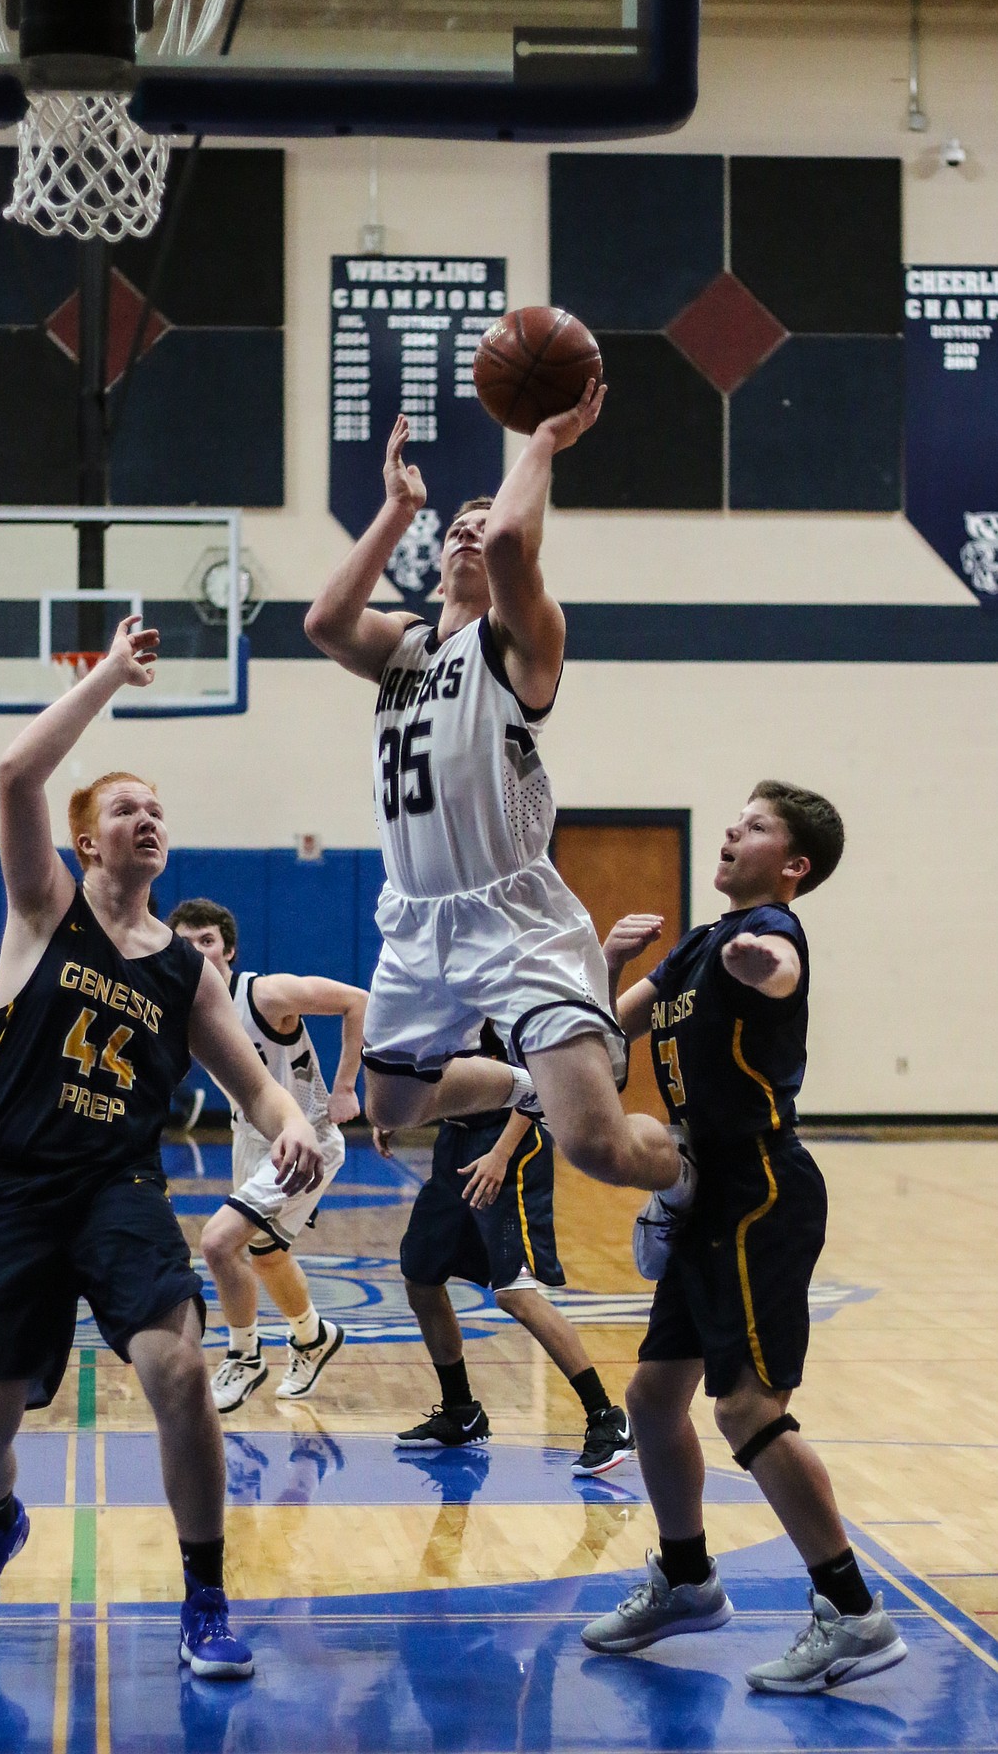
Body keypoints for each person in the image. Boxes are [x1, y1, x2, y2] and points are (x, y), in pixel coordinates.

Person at [0, 616, 323, 1682]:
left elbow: (257, 1084)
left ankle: (204, 1596)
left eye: (157, 808)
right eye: (125, 807)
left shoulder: (185, 975)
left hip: (116, 1189)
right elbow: (16, 766)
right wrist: (109, 672)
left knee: (179, 1367)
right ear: (85, 837)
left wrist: (292, 1129)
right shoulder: (42, 906)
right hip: (10, 1196)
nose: (147, 818)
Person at [303, 395, 683, 1208]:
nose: (471, 532)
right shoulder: (403, 644)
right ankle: (525, 1079)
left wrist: (544, 437)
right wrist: (398, 509)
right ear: (434, 557)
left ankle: (688, 1173)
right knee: (390, 1106)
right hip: (414, 917)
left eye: (481, 524)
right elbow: (325, 621)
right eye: (455, 528)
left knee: (599, 1148)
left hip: (513, 919)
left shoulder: (520, 642)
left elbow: (512, 537)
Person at [580, 782, 908, 1694]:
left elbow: (781, 969)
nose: (732, 830)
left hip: (762, 1191)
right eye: (738, 818)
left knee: (745, 1408)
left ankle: (853, 1613)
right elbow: (611, 1027)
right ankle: (687, 1579)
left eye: (756, 826)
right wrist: (605, 964)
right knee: (650, 1399)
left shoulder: (771, 936)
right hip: (702, 1194)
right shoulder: (694, 947)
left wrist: (766, 959)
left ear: (793, 864)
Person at [375, 1026, 635, 1475]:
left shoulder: (504, 993)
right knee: (420, 1279)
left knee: (514, 1291)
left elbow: (534, 1079)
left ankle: (607, 1418)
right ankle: (462, 1411)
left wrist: (499, 1154)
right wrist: (401, 1112)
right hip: (455, 1141)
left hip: (507, 1144)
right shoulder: (445, 993)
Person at [167, 897, 366, 1409]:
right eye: (184, 944)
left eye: (206, 941)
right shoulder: (181, 1007)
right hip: (247, 1137)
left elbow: (357, 1000)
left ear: (228, 950)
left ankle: (243, 1355)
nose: (197, 952)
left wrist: (345, 1086)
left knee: (217, 1244)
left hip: (304, 1140)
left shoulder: (264, 993)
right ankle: (312, 1336)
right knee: (267, 1253)